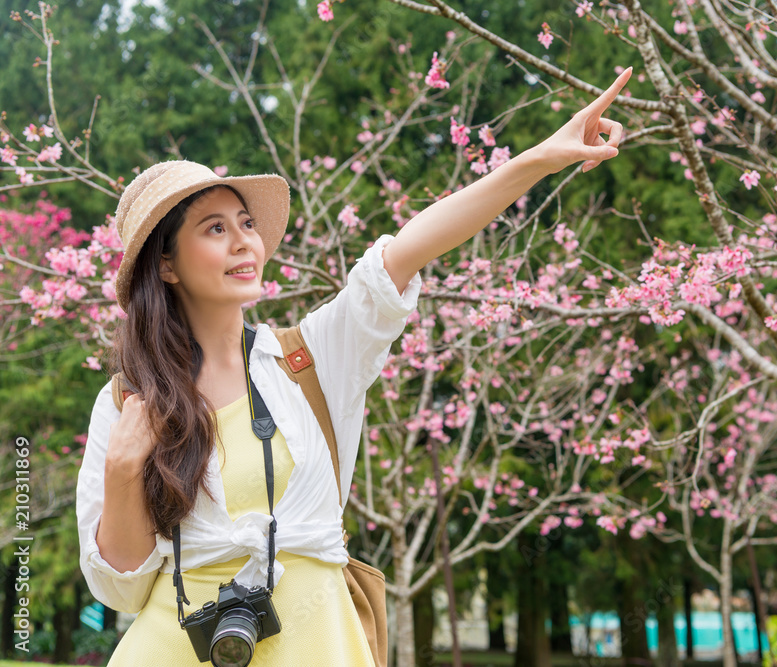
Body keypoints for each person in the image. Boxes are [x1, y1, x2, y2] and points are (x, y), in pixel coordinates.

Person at [76, 67, 631, 666]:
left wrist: (540, 159)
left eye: (246, 224)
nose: (245, 242)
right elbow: (122, 586)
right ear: (166, 266)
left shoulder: (308, 360)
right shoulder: (126, 403)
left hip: (317, 644)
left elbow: (409, 247)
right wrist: (122, 469)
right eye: (215, 229)